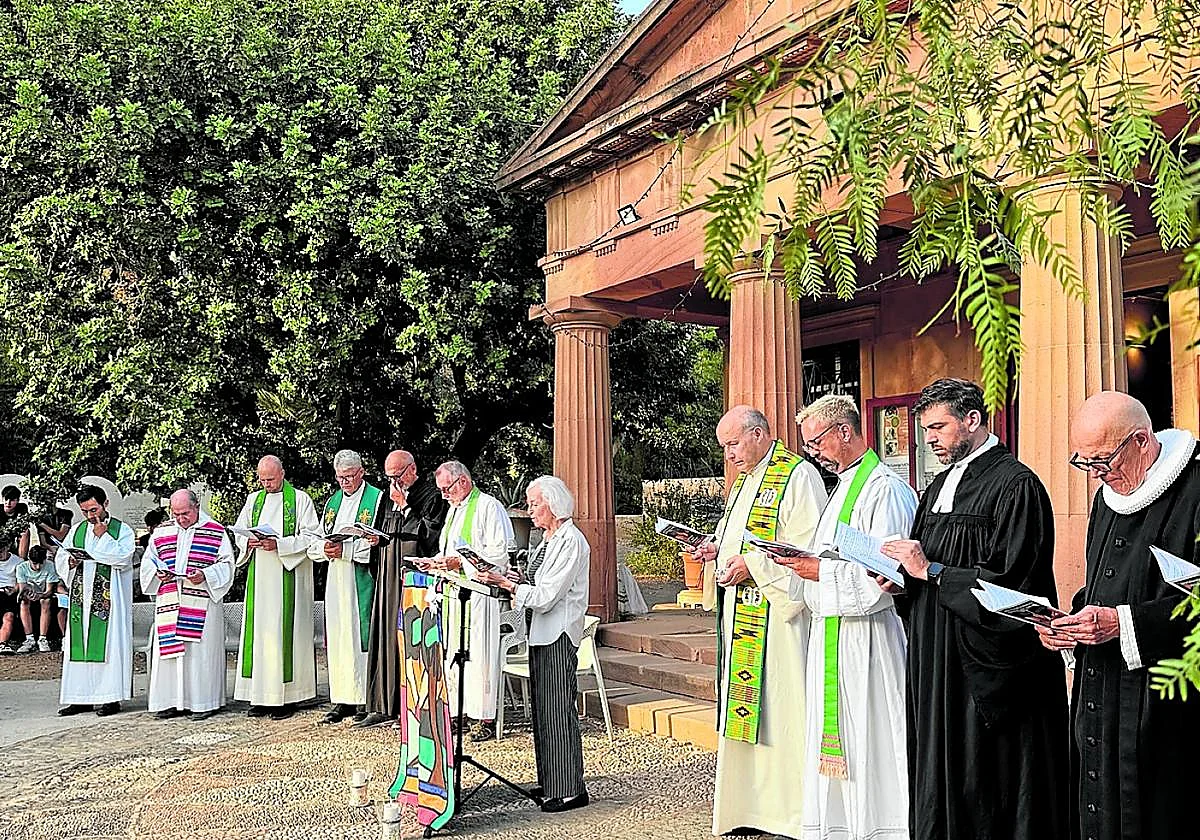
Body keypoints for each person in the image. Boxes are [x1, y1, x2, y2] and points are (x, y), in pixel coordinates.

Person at [880, 378, 1068, 840]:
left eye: (939, 427)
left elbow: (1014, 581)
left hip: (982, 666)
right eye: (926, 429)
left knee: (984, 777)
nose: (930, 439)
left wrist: (936, 572)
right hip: (935, 658)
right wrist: (901, 580)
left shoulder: (1016, 485)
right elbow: (925, 563)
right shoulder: (938, 486)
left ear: (973, 420)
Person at [1035, 392, 1200, 840]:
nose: (1096, 477)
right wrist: (1070, 622)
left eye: (1103, 461)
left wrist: (1125, 625)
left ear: (1142, 442)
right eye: (1084, 463)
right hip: (1100, 692)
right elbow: (1102, 587)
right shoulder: (1108, 497)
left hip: (1166, 704)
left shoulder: (1195, 489)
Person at [776, 395, 915, 840]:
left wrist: (819, 570)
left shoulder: (884, 488)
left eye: (816, 442)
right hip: (833, 633)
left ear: (844, 432)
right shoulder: (843, 487)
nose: (813, 452)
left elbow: (887, 575)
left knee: (873, 738)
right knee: (836, 740)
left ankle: (881, 828)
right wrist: (803, 562)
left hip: (869, 640)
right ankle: (840, 827)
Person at [695, 405, 826, 837]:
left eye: (733, 444)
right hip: (744, 615)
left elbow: (807, 547)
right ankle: (749, 806)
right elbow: (741, 537)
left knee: (782, 708)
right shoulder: (745, 481)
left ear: (758, 434)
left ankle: (788, 812)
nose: (729, 454)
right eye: (724, 447)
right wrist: (715, 549)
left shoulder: (796, 475)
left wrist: (752, 566)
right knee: (748, 708)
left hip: (779, 619)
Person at [481, 476, 590, 813]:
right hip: (540, 632)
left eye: (534, 504)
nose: (529, 511)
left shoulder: (571, 540)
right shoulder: (548, 540)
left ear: (553, 504)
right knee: (543, 711)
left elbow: (546, 596)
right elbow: (536, 583)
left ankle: (570, 788)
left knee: (558, 710)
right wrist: (512, 580)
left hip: (558, 632)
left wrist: (508, 586)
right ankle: (552, 779)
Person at [423, 460, 514, 741]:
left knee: (480, 656)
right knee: (455, 655)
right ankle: (458, 712)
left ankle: (484, 717)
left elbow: (499, 554)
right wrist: (436, 563)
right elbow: (448, 550)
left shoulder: (488, 507)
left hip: (479, 596)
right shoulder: (454, 510)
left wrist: (458, 563)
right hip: (454, 594)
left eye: (446, 488)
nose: (443, 495)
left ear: (462, 481)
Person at [358, 449, 449, 728]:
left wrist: (407, 507)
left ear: (411, 470)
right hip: (387, 572)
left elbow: (430, 534)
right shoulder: (388, 496)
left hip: (413, 576)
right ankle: (382, 704)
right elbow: (382, 527)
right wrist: (373, 539)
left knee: (410, 635)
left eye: (397, 476)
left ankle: (410, 705)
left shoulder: (431, 495)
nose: (393, 482)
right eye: (389, 477)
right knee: (385, 634)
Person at [232, 455, 320, 720]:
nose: (266, 484)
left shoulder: (301, 500)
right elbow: (239, 530)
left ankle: (289, 696)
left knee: (285, 634)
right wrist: (249, 542)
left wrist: (279, 545)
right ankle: (261, 696)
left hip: (288, 578)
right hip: (260, 579)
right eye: (262, 479)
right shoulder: (253, 501)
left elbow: (311, 536)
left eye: (270, 479)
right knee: (261, 636)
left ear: (282, 473)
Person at [140, 489, 236, 721]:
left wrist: (205, 575)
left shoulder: (215, 531)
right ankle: (170, 701)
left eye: (185, 513)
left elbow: (227, 565)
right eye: (176, 514)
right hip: (170, 600)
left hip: (201, 602)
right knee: (170, 652)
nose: (180, 519)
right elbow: (148, 562)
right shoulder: (162, 532)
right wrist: (158, 573)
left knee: (199, 654)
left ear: (196, 506)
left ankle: (204, 702)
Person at [308, 449, 385, 724]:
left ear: (361, 472)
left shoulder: (376, 499)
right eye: (341, 478)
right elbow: (315, 539)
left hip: (360, 576)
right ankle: (342, 699)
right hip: (335, 579)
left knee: (358, 637)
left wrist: (348, 552)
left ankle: (365, 698)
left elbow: (379, 541)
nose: (345, 483)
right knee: (339, 638)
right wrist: (324, 549)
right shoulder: (332, 502)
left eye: (350, 477)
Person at [55, 484, 136, 716]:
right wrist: (68, 562)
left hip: (109, 601)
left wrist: (104, 538)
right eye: (85, 511)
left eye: (93, 509)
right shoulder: (78, 530)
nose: (90, 516)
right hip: (82, 597)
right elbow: (63, 555)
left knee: (109, 645)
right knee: (77, 645)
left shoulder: (122, 531)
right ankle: (80, 697)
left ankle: (110, 698)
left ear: (105, 504)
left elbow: (123, 558)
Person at [16, 545, 61, 653]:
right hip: (30, 594)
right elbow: (22, 589)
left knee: (46, 601)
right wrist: (29, 594)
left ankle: (42, 638)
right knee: (24, 602)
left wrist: (40, 595)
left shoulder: (50, 566)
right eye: (35, 563)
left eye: (41, 563)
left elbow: (49, 590)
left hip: (43, 595)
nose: (37, 567)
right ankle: (29, 638)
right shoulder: (21, 567)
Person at [0, 545, 20, 655]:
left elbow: (20, 580)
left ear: (7, 547)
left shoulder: (18, 561)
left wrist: (14, 590)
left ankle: (2, 644)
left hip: (10, 594)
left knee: (9, 616)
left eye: (1, 551)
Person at [1, 484, 30, 558]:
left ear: (17, 500)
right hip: (2, 536)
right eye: (6, 499)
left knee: (25, 531)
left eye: (12, 500)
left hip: (15, 534)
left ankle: (21, 560)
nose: (8, 502)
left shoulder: (22, 508)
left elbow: (24, 525)